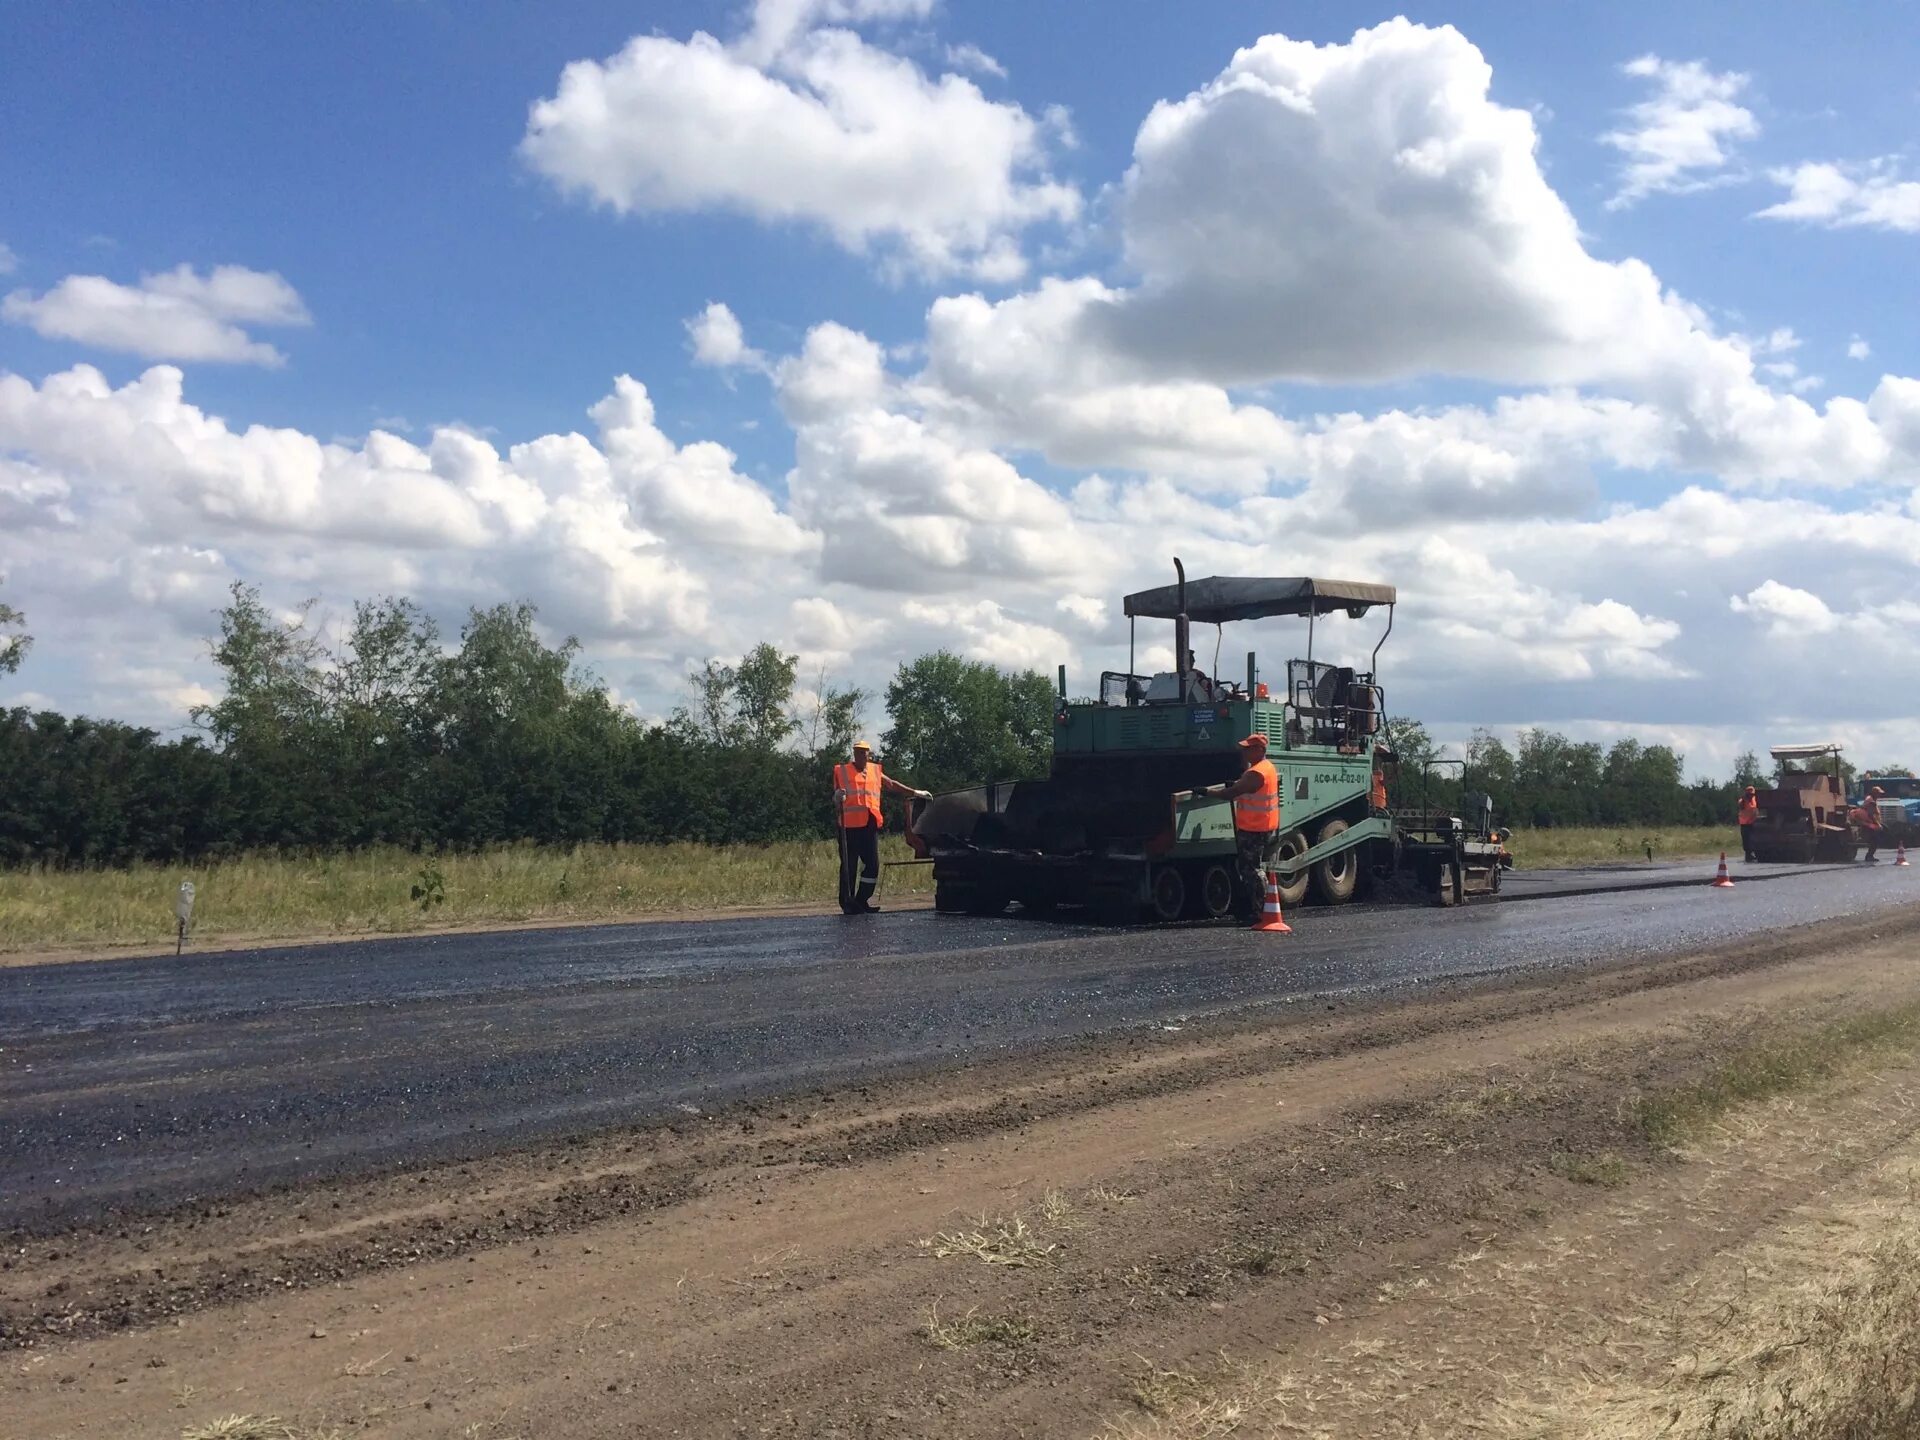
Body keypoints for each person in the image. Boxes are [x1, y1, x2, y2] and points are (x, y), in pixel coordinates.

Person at [1180, 733, 1280, 918]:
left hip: (1254, 828)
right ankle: (1261, 908)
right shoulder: (1267, 768)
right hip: (1261, 826)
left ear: (1259, 750)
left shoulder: (1256, 773)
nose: (1244, 752)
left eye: (1248, 749)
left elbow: (1230, 794)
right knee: (1252, 868)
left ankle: (1262, 910)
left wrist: (1206, 791)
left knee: (1250, 870)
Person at [832, 740, 930, 914]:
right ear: (854, 753)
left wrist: (915, 792)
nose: (863, 755)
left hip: (869, 825)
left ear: (869, 754)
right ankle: (848, 903)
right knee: (849, 867)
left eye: (865, 752)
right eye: (859, 752)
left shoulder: (874, 771)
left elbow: (891, 784)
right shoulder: (843, 771)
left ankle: (862, 899)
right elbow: (835, 796)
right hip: (848, 827)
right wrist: (837, 796)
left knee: (872, 865)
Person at [1862, 785, 1885, 863]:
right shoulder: (1870, 800)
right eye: (1879, 793)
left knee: (1875, 839)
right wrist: (1878, 824)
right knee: (1874, 840)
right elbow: (1871, 814)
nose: (1880, 795)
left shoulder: (1872, 799)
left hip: (1870, 822)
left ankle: (1870, 855)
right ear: (1875, 793)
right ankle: (1869, 856)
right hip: (1869, 823)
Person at [1737, 784, 1759, 861]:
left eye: (1752, 794)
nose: (1751, 795)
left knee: (1753, 839)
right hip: (1744, 823)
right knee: (1746, 840)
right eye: (1749, 794)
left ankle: (1753, 854)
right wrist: (1744, 798)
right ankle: (1748, 855)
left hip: (1752, 822)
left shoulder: (1754, 799)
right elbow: (1740, 805)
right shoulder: (1742, 801)